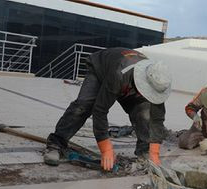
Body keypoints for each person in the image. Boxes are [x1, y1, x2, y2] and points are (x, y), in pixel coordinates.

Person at [44, 48, 172, 170]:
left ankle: (145, 152)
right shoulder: (119, 75)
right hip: (101, 70)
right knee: (84, 105)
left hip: (126, 81)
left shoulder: (158, 82)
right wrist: (106, 148)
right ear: (143, 82)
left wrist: (154, 153)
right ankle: (56, 143)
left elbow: (157, 120)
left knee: (145, 113)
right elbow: (100, 110)